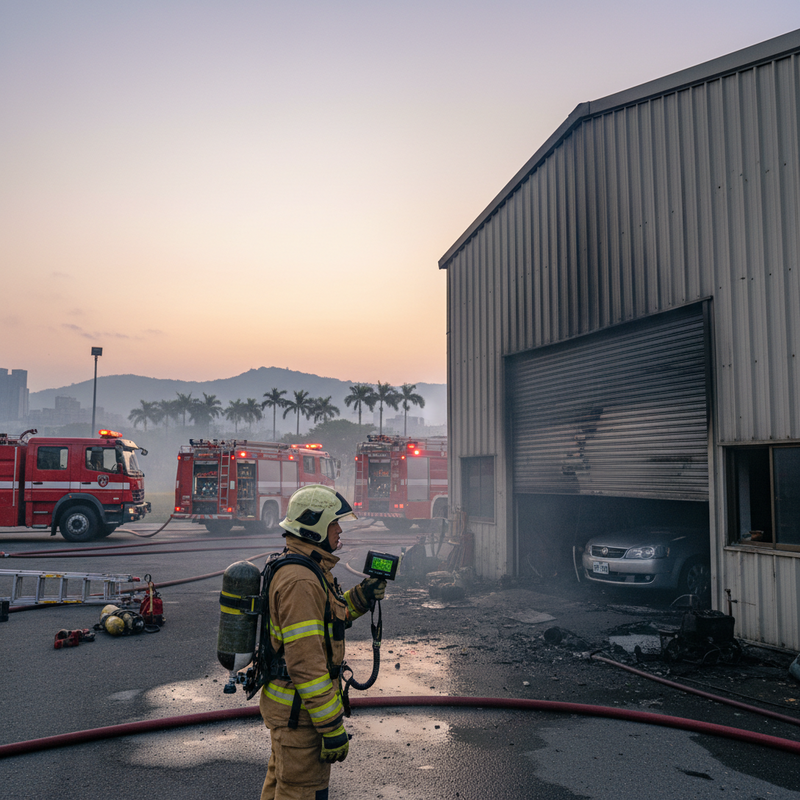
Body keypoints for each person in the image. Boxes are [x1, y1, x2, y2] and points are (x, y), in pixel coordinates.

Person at [259, 484, 386, 800]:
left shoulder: (307, 569)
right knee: (300, 792)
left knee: (282, 786)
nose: (340, 530)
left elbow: (329, 622)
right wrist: (331, 727)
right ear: (314, 526)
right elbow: (306, 664)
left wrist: (362, 597)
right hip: (300, 716)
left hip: (293, 711)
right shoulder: (301, 580)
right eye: (334, 523)